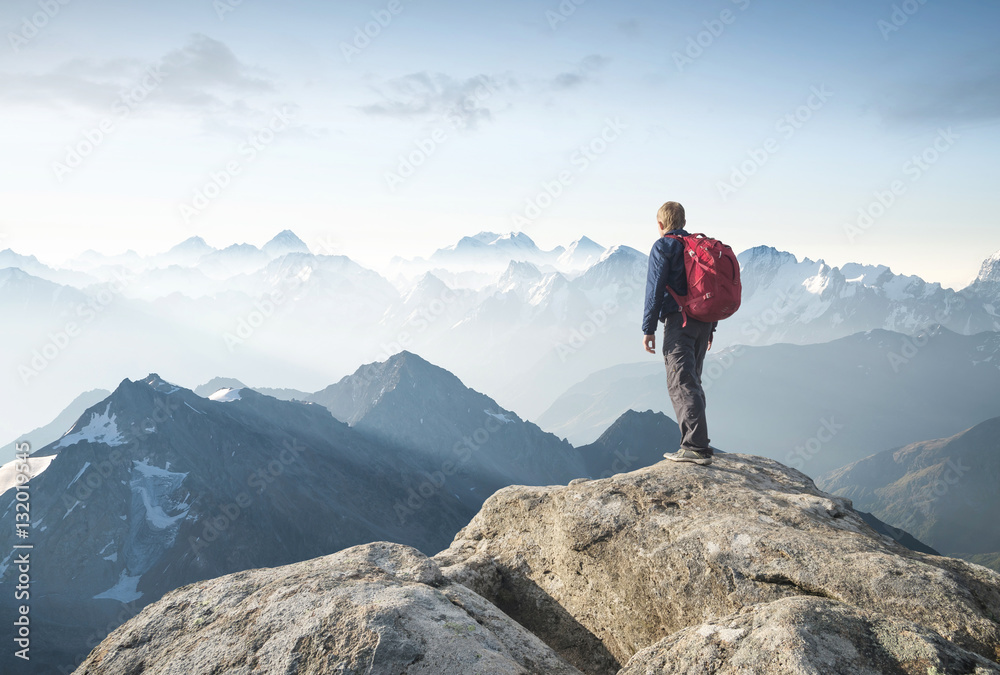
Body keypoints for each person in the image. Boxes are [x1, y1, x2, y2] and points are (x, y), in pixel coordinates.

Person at [642, 201, 716, 466]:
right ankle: (697, 444)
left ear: (661, 224)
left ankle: (695, 447)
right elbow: (710, 288)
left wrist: (648, 328)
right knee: (692, 380)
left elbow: (654, 289)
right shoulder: (698, 247)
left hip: (679, 322)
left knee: (681, 382)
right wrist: (711, 327)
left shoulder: (663, 246)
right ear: (683, 222)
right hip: (703, 322)